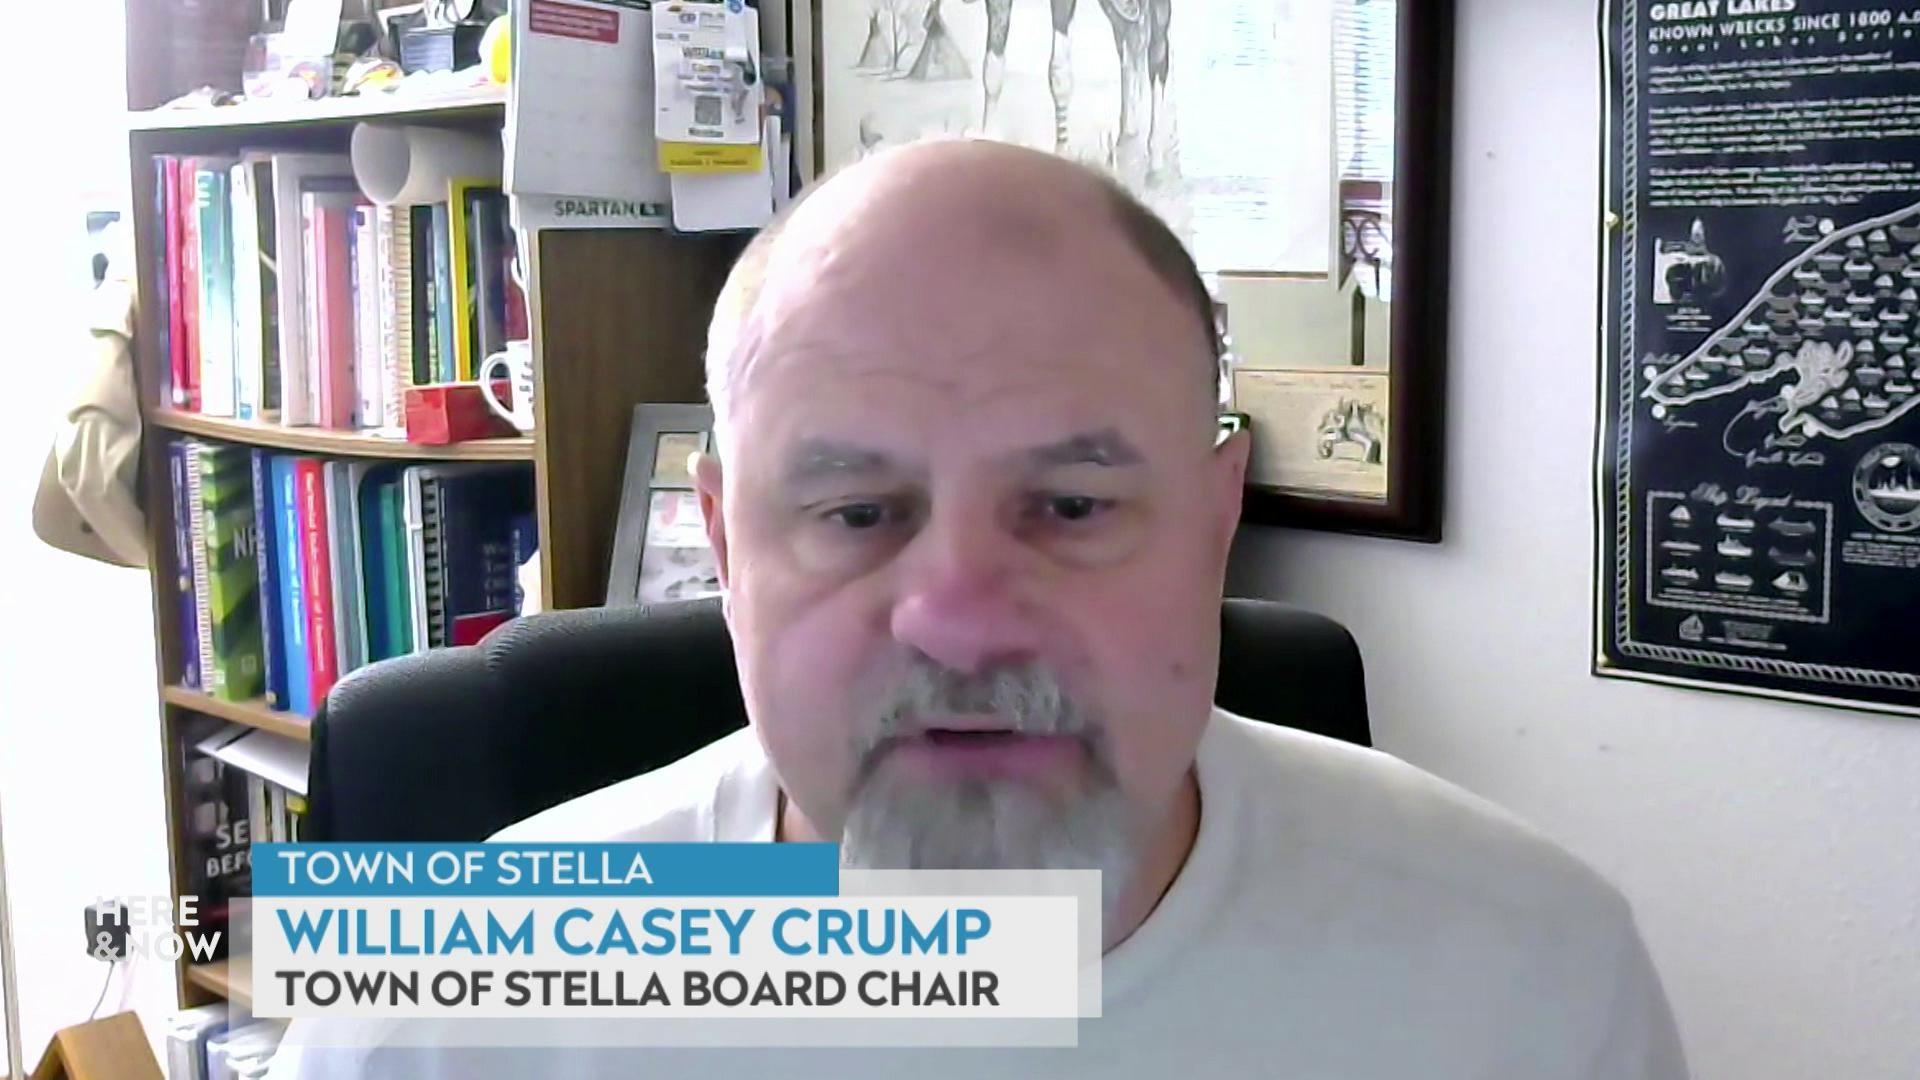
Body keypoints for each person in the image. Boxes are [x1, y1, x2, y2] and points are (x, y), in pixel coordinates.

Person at [273, 139, 1686, 1078]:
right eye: (854, 513)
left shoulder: (1529, 975)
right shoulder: (442, 1007)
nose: (956, 619)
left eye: (1070, 507)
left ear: (1213, 521)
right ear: (720, 541)